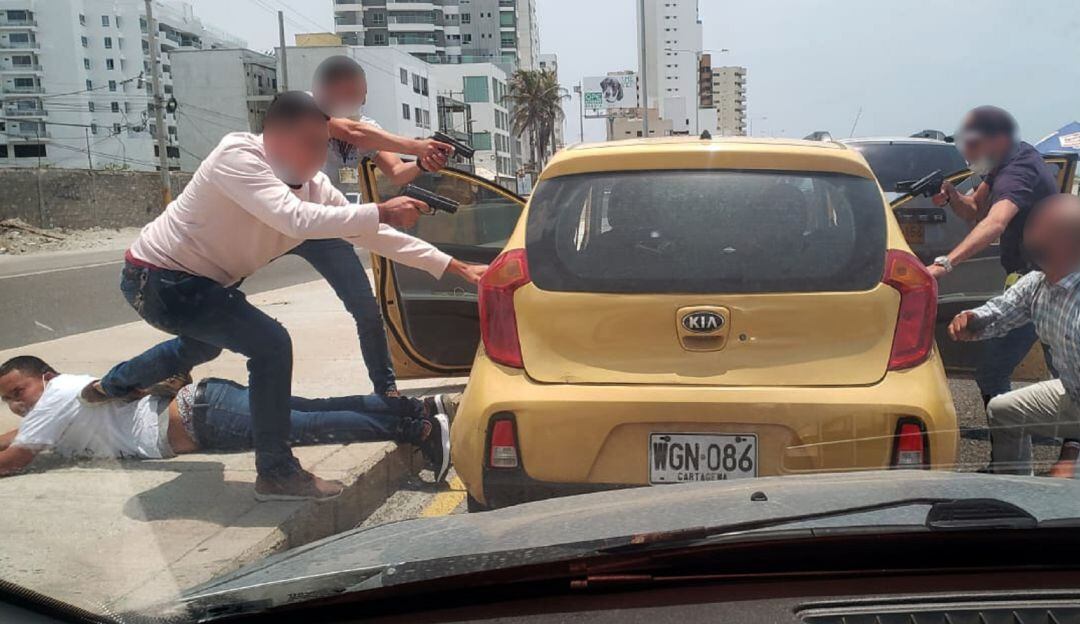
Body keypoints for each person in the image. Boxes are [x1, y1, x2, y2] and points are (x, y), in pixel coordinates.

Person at [86, 91, 482, 501]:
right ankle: (275, 471)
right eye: (308, 143)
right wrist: (380, 208)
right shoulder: (237, 156)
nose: (317, 154)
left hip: (205, 285)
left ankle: (115, 385)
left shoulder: (316, 188)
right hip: (158, 280)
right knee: (271, 345)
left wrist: (456, 267)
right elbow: (293, 218)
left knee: (201, 347)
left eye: (323, 144)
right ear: (273, 136)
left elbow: (375, 236)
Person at [286, 55, 457, 397]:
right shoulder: (301, 106)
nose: (355, 102)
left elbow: (397, 172)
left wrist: (424, 162)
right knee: (220, 285)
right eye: (346, 94)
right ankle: (178, 367)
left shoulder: (366, 125)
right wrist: (415, 144)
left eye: (358, 95)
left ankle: (387, 391)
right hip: (280, 214)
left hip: (330, 223)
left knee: (366, 309)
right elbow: (351, 131)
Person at [0, 356, 458, 483]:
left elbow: (15, 457)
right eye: (8, 400)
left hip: (203, 417)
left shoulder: (57, 396)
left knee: (311, 425)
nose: (18, 405)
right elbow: (17, 435)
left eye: (19, 392)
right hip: (205, 408)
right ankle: (416, 408)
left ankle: (418, 429)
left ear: (46, 377)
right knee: (312, 410)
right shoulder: (53, 407)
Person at [930, 106, 1060, 406]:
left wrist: (947, 263)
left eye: (973, 144)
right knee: (1062, 371)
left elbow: (995, 222)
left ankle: (1013, 445)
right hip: (1037, 280)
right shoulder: (1004, 163)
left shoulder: (1017, 171)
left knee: (995, 372)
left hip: (1045, 283)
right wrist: (951, 194)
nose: (967, 152)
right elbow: (974, 209)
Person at [947, 194, 1080, 478]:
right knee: (1003, 410)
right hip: (1073, 393)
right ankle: (1016, 486)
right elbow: (1001, 311)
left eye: (1042, 231)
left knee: (1069, 493)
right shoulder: (1038, 282)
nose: (1028, 238)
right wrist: (973, 320)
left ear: (1068, 242)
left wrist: (1071, 452)